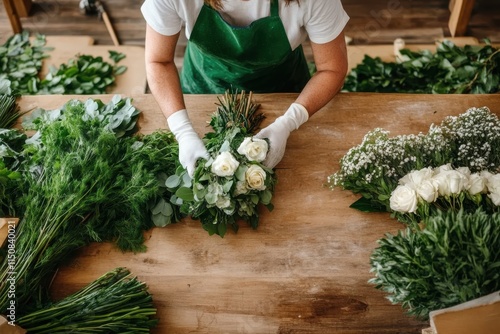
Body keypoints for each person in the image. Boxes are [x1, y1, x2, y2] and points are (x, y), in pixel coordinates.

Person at [141, 0, 349, 176]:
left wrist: (289, 122)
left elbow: (332, 69)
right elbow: (158, 61)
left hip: (285, 92)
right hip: (202, 88)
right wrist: (182, 130)